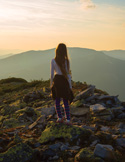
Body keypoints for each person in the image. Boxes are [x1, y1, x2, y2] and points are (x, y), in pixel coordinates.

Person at [50, 43, 73, 125]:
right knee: (65, 100)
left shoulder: (53, 60)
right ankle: (68, 119)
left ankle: (59, 117)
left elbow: (52, 74)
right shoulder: (66, 61)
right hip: (64, 81)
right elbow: (68, 74)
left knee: (57, 100)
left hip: (56, 81)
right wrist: (70, 86)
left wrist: (51, 85)